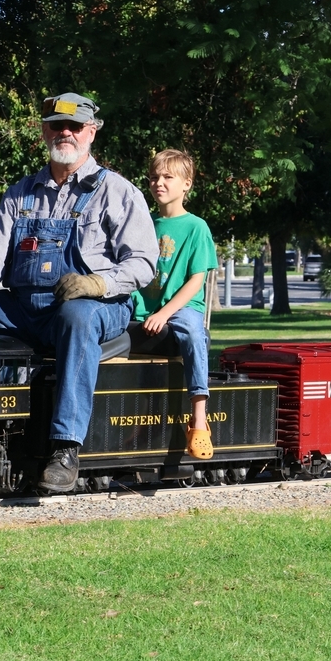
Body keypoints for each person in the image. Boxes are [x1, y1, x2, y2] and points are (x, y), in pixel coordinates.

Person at [0, 92, 158, 492]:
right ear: (44, 132)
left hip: (97, 307)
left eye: (74, 126)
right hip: (24, 308)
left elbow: (143, 264)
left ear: (91, 132)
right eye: (56, 125)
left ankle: (66, 448)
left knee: (76, 317)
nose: (65, 132)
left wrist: (98, 283)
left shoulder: (118, 192)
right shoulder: (20, 194)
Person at [131, 149, 219, 459]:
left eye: (168, 177)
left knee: (194, 335)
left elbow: (196, 281)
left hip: (182, 307)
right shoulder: (143, 223)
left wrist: (165, 313)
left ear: (187, 184)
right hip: (141, 306)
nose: (159, 183)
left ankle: (199, 420)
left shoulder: (197, 227)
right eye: (154, 177)